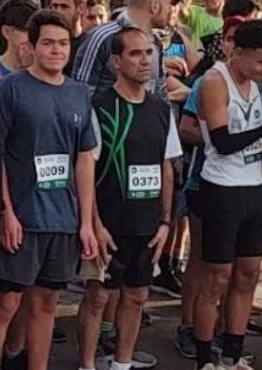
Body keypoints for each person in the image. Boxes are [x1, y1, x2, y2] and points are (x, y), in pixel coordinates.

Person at [0, 9, 97, 370]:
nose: (56, 50)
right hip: (23, 218)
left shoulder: (79, 93)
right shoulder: (11, 88)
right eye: (48, 43)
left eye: (63, 44)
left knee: (46, 304)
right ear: (31, 46)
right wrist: (6, 212)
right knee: (6, 304)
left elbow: (84, 160)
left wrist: (86, 222)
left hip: (62, 219)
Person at [75, 28, 181, 370]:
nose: (144, 61)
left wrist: (166, 222)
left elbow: (167, 168)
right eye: (135, 54)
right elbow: (86, 168)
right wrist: (93, 223)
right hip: (108, 225)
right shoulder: (99, 108)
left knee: (136, 296)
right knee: (98, 297)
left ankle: (122, 363)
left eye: (149, 53)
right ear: (115, 62)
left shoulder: (161, 110)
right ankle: (88, 364)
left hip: (147, 226)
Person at [192, 19, 262, 370]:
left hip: (252, 186)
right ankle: (204, 358)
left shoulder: (257, 84)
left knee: (248, 273)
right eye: (261, 62)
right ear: (239, 52)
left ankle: (233, 355)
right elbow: (222, 141)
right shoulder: (215, 81)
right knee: (216, 277)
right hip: (221, 187)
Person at [72, 0, 171, 100]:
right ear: (155, 6)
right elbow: (82, 93)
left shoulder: (156, 42)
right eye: (168, 4)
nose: (170, 10)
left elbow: (160, 94)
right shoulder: (102, 38)